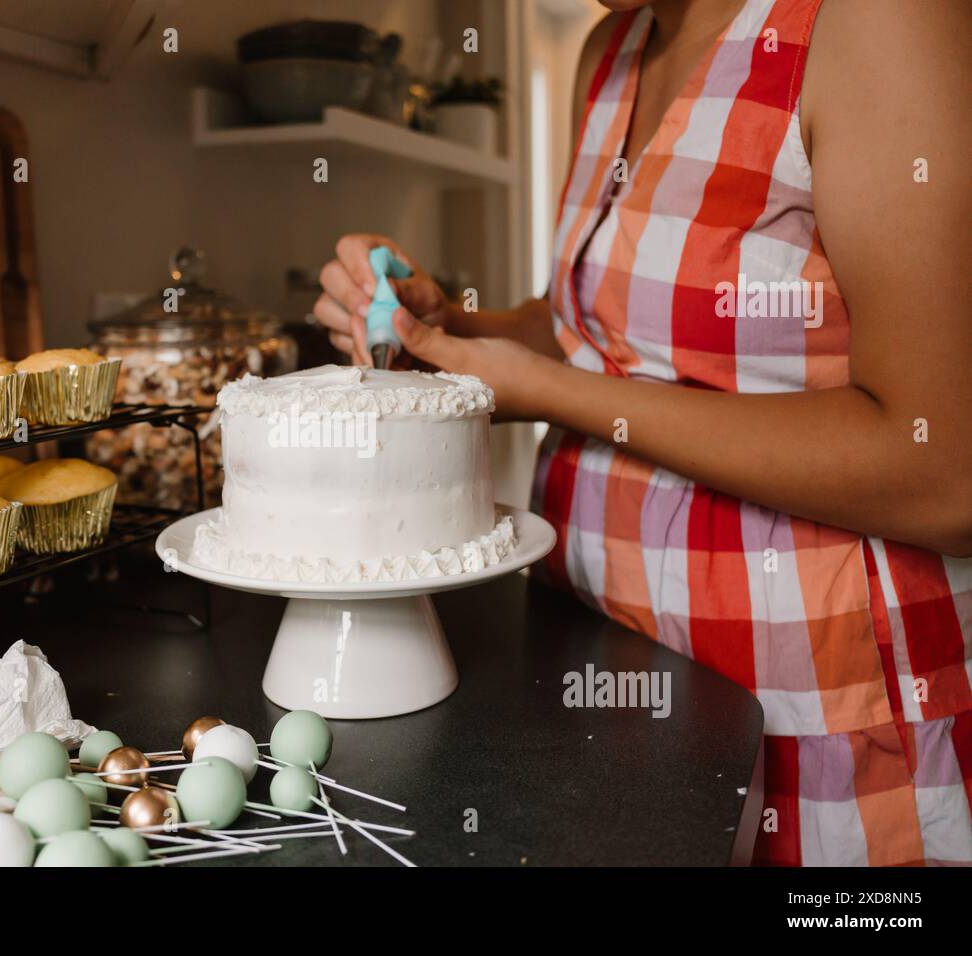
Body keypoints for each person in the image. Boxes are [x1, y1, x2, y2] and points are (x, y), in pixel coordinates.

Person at [314, 0, 971, 866]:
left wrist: (553, 392)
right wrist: (456, 328)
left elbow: (943, 475)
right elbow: (600, 326)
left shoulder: (877, 21)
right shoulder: (610, 48)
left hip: (816, 707)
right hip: (608, 673)